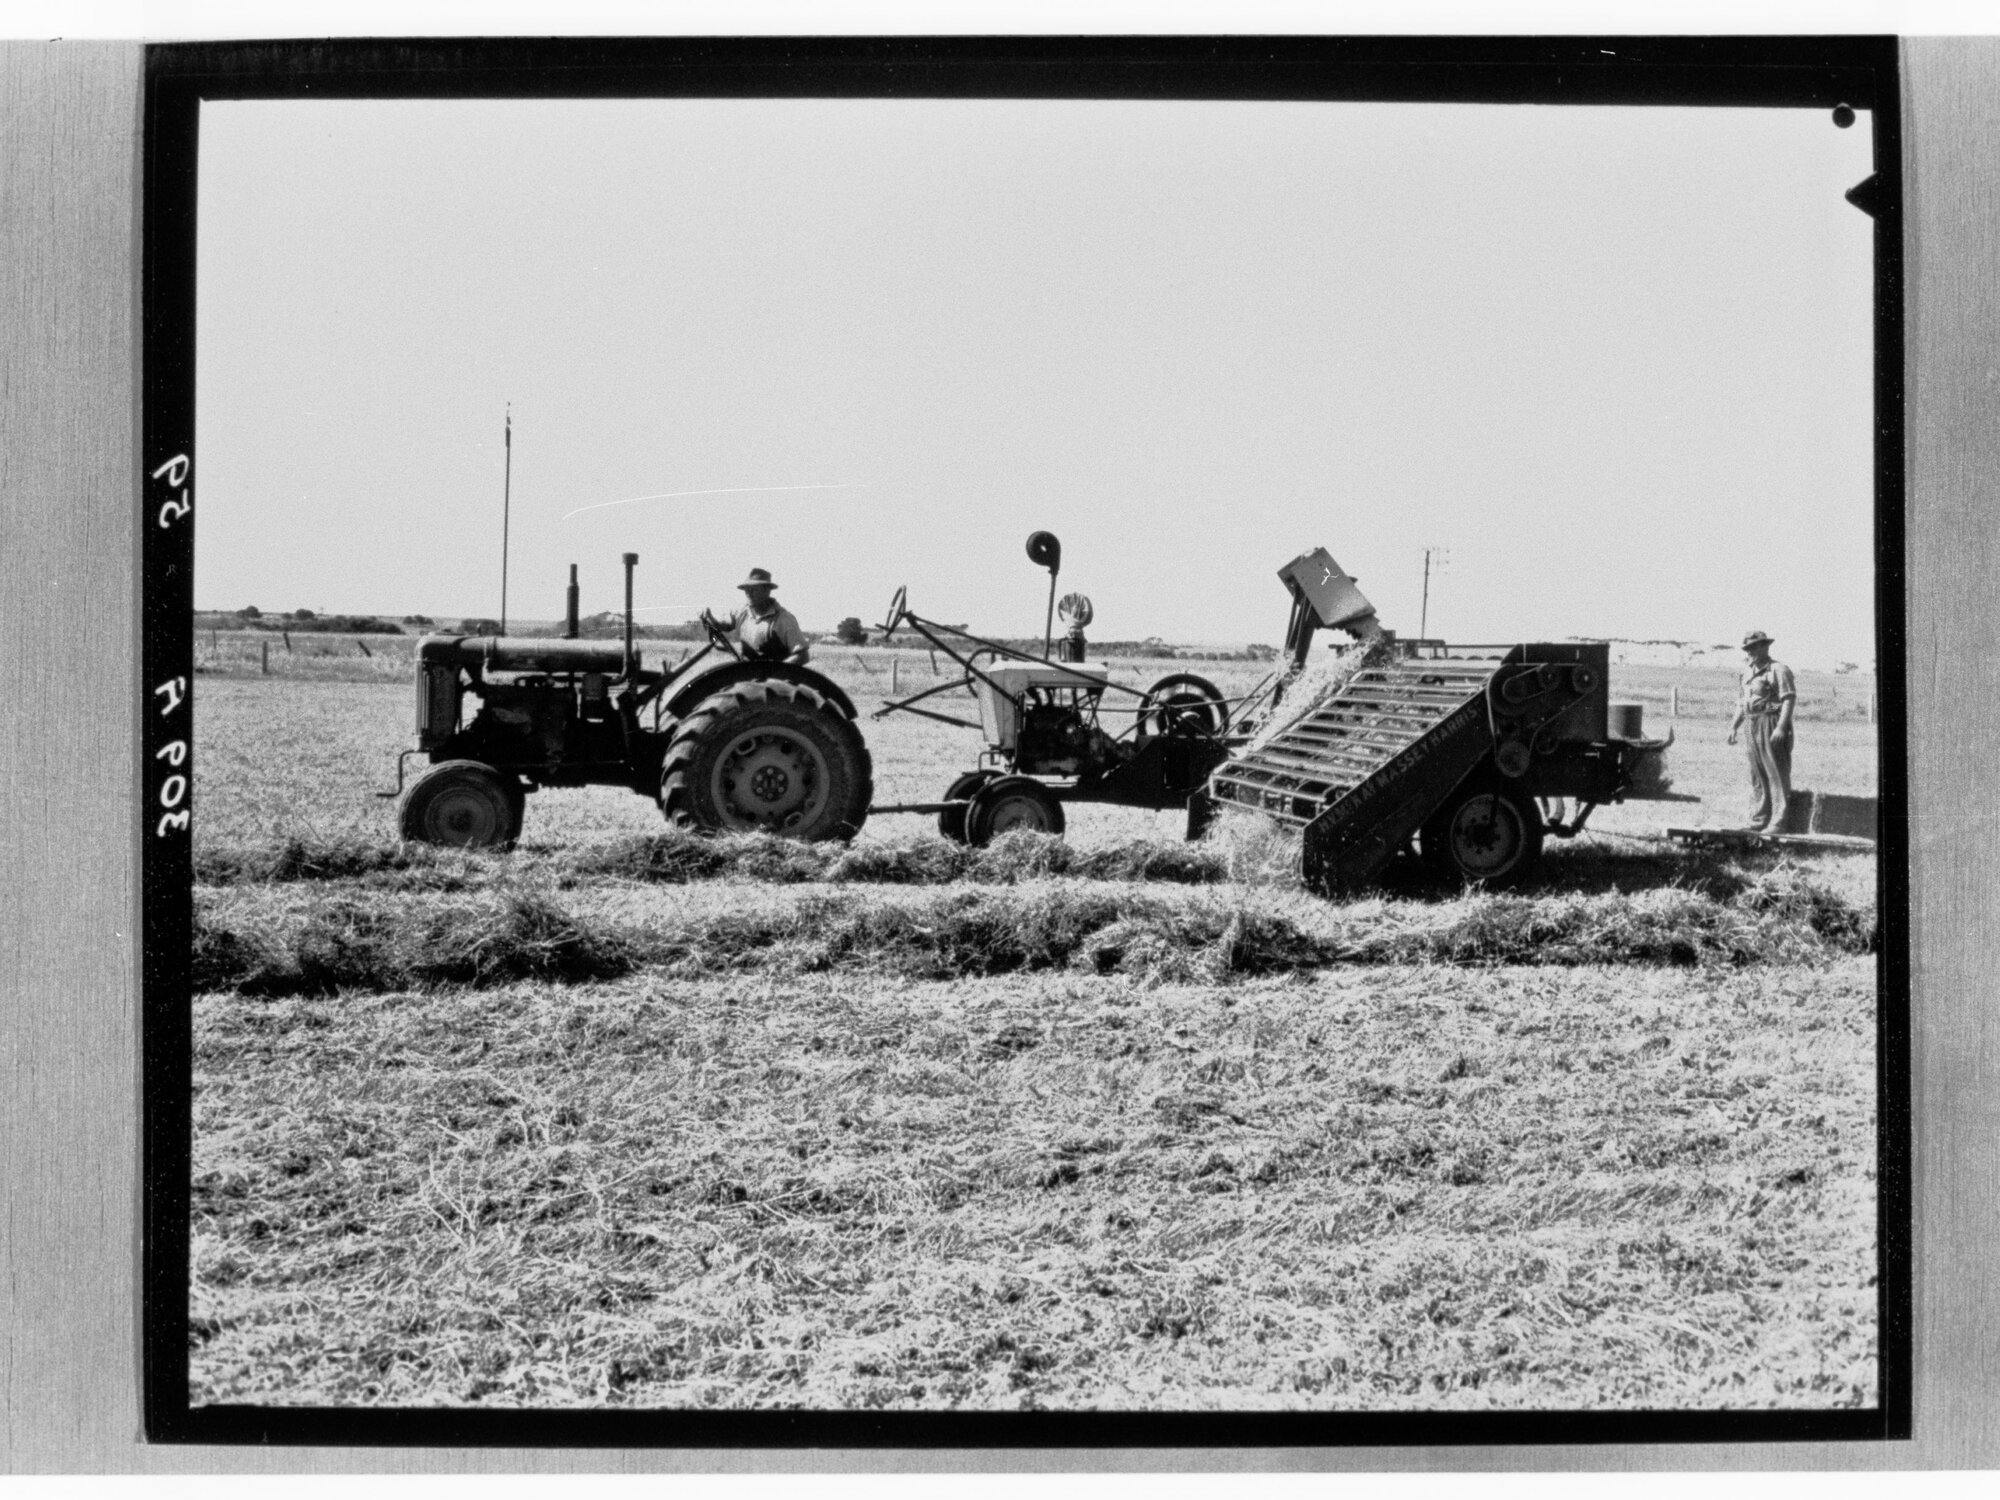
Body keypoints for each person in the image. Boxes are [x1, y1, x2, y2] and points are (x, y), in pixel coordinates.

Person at [1726, 629, 1796, 832]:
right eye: (1748, 648)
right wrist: (1733, 726)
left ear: (1765, 647)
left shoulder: (1778, 670)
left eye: (1755, 647)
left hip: (1771, 722)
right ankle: (1758, 820)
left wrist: (1781, 727)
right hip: (1751, 723)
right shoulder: (1746, 672)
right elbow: (1742, 702)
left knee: (1776, 772)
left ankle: (1778, 822)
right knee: (1757, 774)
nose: (1751, 652)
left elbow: (1789, 698)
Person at [706, 567, 810, 665]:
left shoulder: (784, 619)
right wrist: (710, 618)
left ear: (767, 591)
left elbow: (802, 656)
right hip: (748, 675)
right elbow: (720, 625)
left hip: (774, 680)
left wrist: (776, 672)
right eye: (747, 590)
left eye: (754, 590)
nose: (749, 594)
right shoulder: (742, 612)